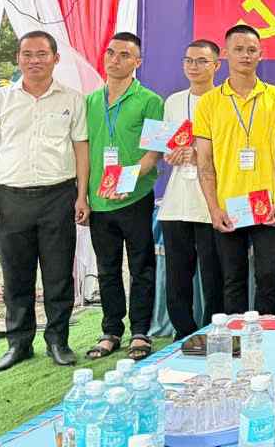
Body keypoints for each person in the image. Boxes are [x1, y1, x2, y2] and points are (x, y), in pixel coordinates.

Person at [0, 30, 88, 372]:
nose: (33, 60)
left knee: (58, 276)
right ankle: (18, 343)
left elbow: (81, 149)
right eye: (27, 54)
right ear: (18, 58)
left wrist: (82, 195)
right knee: (16, 276)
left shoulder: (72, 99)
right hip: (11, 199)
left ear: (55, 58)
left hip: (59, 196)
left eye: (41, 54)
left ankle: (58, 341)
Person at [194, 25, 275, 315]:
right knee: (232, 280)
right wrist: (213, 208)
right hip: (229, 206)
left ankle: (265, 336)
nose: (245, 55)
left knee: (267, 278)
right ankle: (236, 339)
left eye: (252, 50)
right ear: (225, 54)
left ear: (261, 54)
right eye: (238, 49)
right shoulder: (209, 102)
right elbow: (205, 162)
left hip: (268, 204)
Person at [84, 32, 165, 362]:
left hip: (135, 197)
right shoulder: (89, 101)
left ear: (137, 62)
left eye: (124, 55)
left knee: (141, 267)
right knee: (106, 269)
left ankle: (141, 332)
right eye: (111, 53)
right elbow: (83, 151)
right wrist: (83, 195)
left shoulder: (150, 100)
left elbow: (154, 152)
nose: (115, 59)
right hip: (99, 200)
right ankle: (111, 330)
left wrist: (126, 180)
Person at [159, 39, 226, 340]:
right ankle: (183, 333)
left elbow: (232, 150)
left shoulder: (225, 100)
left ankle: (215, 330)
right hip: (177, 200)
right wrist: (170, 154)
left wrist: (200, 156)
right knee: (178, 274)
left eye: (201, 61)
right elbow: (163, 146)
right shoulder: (172, 101)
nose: (194, 67)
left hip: (211, 199)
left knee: (214, 275)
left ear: (216, 65)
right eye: (189, 60)